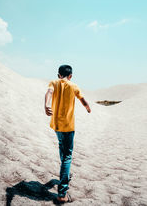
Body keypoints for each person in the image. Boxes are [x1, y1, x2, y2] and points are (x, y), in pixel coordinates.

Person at [44, 64, 91, 203]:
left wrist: (46, 105)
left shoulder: (54, 82)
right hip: (69, 126)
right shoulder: (74, 86)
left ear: (59, 75)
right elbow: (82, 99)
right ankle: (62, 193)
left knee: (62, 147)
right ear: (70, 76)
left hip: (57, 125)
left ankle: (66, 172)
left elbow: (49, 93)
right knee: (68, 156)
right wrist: (87, 107)